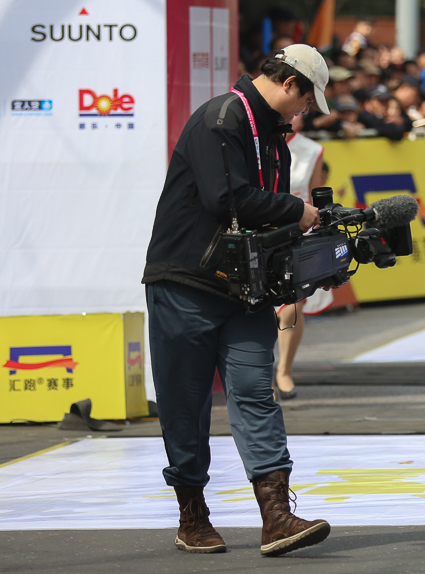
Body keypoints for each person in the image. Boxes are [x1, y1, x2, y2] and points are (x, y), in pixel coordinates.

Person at [141, 44, 332, 556]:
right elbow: (226, 200)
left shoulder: (274, 137)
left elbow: (258, 215)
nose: (307, 111)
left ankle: (276, 516)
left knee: (255, 394)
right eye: (309, 99)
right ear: (291, 83)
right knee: (186, 404)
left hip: (244, 290)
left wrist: (306, 254)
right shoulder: (221, 119)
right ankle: (192, 515)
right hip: (186, 282)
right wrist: (298, 211)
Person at [273, 113, 332, 400]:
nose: (292, 117)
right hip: (263, 225)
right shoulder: (258, 143)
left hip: (299, 229)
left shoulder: (312, 150)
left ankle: (284, 369)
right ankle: (261, 375)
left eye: (298, 113)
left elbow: (315, 193)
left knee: (292, 302)